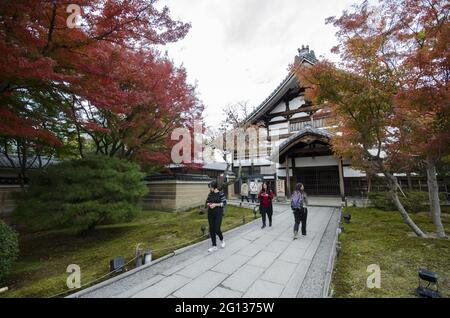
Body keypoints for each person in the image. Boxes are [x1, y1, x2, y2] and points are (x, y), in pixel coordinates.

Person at [205, 181, 227, 252]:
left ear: (214, 187)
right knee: (211, 229)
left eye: (210, 187)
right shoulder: (210, 194)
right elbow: (207, 202)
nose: (210, 188)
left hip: (218, 213)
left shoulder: (221, 193)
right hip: (210, 213)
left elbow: (224, 203)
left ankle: (222, 240)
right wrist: (209, 204)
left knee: (217, 228)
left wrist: (215, 205)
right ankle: (214, 245)